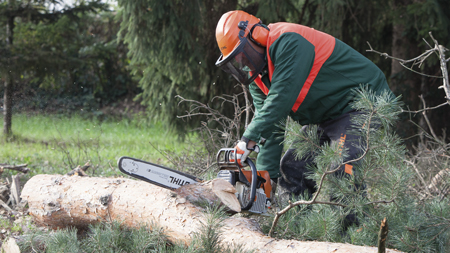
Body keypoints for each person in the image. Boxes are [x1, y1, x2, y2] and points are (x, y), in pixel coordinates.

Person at [214, 10, 394, 223]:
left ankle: (353, 236)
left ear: (257, 35)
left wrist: (246, 140)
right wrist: (262, 188)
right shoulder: (259, 78)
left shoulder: (289, 41)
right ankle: (298, 230)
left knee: (343, 165)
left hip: (363, 103)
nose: (243, 63)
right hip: (330, 114)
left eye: (244, 55)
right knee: (293, 166)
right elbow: (271, 127)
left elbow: (280, 100)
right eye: (237, 60)